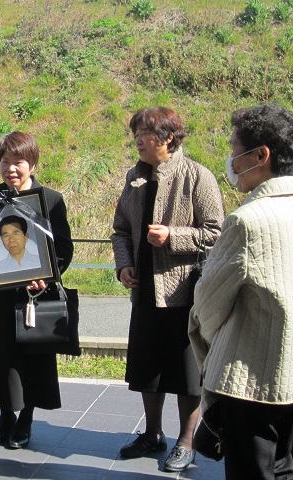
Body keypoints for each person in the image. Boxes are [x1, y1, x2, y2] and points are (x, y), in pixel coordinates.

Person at [110, 107, 224, 472]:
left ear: (168, 138)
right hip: (143, 290)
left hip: (185, 293)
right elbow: (121, 230)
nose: (139, 140)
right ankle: (153, 434)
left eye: (146, 133)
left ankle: (186, 442)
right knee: (148, 368)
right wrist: (124, 264)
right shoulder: (134, 177)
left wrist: (173, 236)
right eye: (136, 134)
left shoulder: (197, 177)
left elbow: (216, 234)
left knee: (186, 373)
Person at [189, 104, 293, 479]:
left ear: (261, 155)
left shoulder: (247, 220)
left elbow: (208, 304)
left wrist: (213, 344)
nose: (231, 160)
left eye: (236, 149)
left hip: (251, 379)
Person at [0, 131, 73, 449]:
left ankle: (25, 421)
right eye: (4, 161)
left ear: (32, 162)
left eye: (18, 161)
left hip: (33, 295)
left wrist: (47, 278)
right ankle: (5, 417)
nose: (10, 168)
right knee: (0, 357)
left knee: (31, 358)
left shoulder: (50, 199)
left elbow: (63, 249)